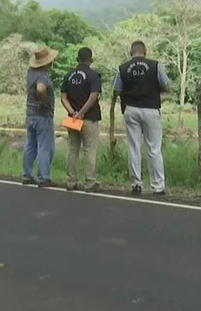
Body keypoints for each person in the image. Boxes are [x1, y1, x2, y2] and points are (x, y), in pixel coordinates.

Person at [112, 41, 172, 196]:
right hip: (151, 109)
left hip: (131, 109)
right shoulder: (155, 65)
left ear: (131, 51)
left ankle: (136, 184)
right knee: (154, 149)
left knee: (134, 147)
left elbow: (117, 90)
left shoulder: (122, 68)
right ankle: (158, 186)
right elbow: (167, 86)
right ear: (145, 51)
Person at [60, 47, 102, 192]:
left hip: (72, 120)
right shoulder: (93, 75)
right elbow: (93, 97)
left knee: (73, 150)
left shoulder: (68, 75)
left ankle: (71, 181)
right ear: (91, 59)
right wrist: (82, 113)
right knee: (89, 150)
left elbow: (63, 98)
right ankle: (90, 182)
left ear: (77, 59)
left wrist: (73, 112)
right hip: (89, 118)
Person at [22, 46, 58, 188]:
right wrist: (43, 102)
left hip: (30, 114)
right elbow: (41, 89)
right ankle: (44, 177)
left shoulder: (31, 72)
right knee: (45, 146)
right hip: (42, 115)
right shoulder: (42, 76)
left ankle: (27, 175)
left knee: (30, 145)